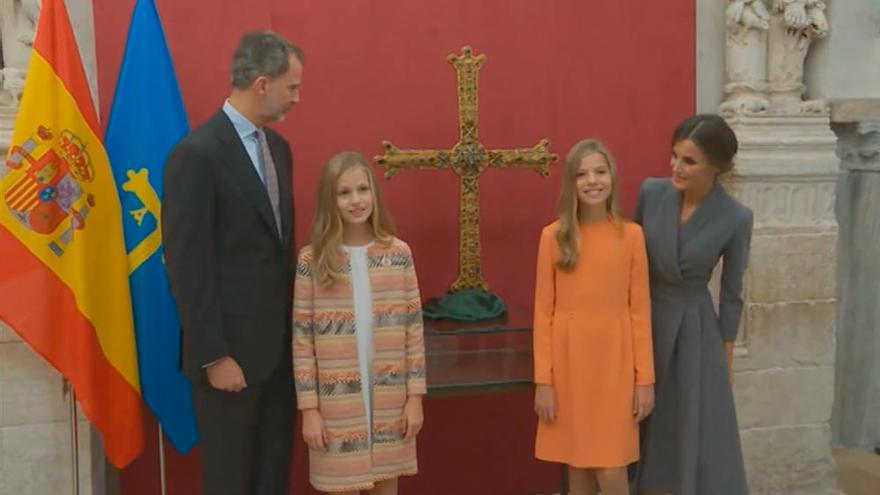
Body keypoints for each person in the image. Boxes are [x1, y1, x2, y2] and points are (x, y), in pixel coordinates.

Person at [162, 31, 302, 495]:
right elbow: (188, 266)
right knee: (230, 482)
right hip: (228, 361)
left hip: (278, 358)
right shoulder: (196, 155)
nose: (296, 98)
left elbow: (278, 253)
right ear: (262, 84)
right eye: (292, 87)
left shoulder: (279, 150)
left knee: (271, 479)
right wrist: (215, 355)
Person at [293, 151, 426, 494]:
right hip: (336, 405)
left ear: (374, 194)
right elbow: (302, 341)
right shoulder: (313, 260)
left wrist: (415, 398)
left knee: (386, 480)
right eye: (344, 192)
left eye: (362, 190)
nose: (356, 200)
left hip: (390, 399)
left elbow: (413, 332)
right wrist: (310, 410)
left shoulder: (398, 254)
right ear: (330, 200)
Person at [634, 114, 752, 495]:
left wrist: (726, 357)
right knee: (636, 420)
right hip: (644, 319)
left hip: (695, 331)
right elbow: (629, 264)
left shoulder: (736, 217)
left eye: (688, 161)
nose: (675, 167)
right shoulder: (651, 193)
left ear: (715, 166)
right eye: (674, 156)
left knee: (687, 428)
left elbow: (732, 294)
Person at [533, 139, 655, 495]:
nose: (592, 181)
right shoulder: (553, 237)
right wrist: (544, 381)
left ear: (612, 178)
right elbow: (544, 313)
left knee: (612, 468)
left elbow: (640, 311)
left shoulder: (631, 236)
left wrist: (644, 379)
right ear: (570, 183)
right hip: (569, 364)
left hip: (615, 366)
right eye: (581, 174)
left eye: (600, 172)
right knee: (578, 465)